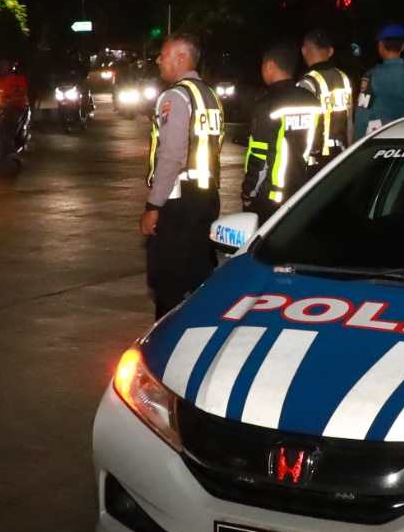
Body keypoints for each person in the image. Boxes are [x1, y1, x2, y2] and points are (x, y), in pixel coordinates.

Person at [141, 33, 225, 319]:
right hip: (207, 197)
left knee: (168, 283)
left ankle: (167, 338)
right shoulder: (210, 96)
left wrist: (153, 205)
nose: (158, 60)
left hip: (179, 203)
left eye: (163, 55)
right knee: (199, 276)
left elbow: (172, 156)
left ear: (181, 58)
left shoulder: (175, 97)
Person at [243, 43, 319, 223]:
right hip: (302, 192)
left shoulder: (266, 104)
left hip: (271, 196)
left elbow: (258, 155)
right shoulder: (311, 100)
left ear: (270, 66)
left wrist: (248, 192)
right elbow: (316, 147)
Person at [354, 24, 404, 139]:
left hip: (378, 136)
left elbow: (363, 112)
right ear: (403, 47)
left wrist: (357, 141)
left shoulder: (371, 75)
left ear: (380, 46)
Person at [298, 28, 353, 165]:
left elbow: (300, 128)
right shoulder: (344, 78)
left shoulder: (308, 82)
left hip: (315, 159)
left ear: (304, 50)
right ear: (331, 51)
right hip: (340, 155)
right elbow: (349, 122)